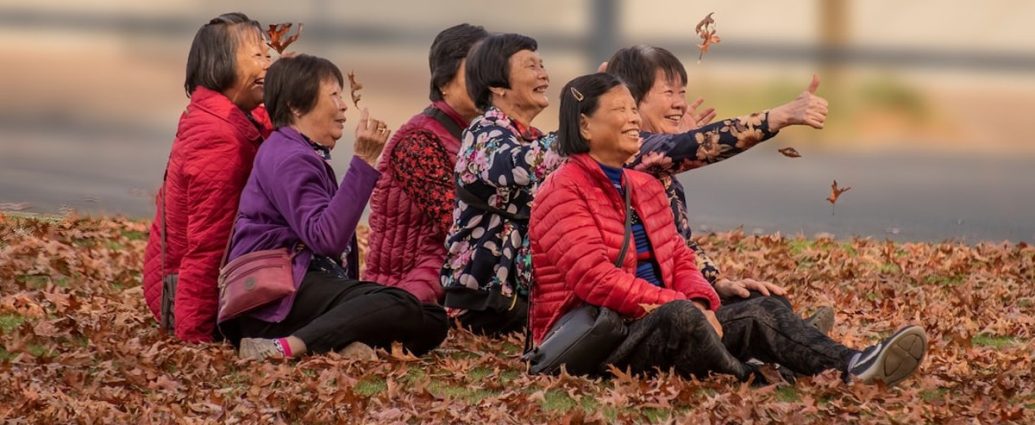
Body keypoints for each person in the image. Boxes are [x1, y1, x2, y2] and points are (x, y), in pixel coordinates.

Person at [528, 73, 928, 387]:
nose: (635, 119)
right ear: (583, 125)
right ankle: (749, 374)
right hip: (598, 340)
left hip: (661, 321)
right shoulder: (561, 190)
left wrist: (703, 298)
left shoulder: (645, 186)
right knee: (682, 317)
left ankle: (855, 365)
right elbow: (595, 281)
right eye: (621, 109)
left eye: (635, 108)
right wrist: (680, 304)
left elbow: (679, 256)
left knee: (762, 308)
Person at [219, 54, 448, 360]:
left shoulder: (297, 150)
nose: (343, 106)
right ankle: (287, 348)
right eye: (334, 95)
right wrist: (364, 162)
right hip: (274, 299)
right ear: (297, 106)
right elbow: (326, 238)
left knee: (433, 318)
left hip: (300, 289)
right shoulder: (290, 157)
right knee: (401, 304)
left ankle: (336, 343)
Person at [605, 46, 831, 322]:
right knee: (757, 317)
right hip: (649, 310)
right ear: (631, 99)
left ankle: (790, 346)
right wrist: (780, 117)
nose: (680, 104)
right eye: (669, 93)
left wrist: (715, 280)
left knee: (764, 300)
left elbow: (678, 243)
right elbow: (700, 146)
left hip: (679, 294)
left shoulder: (659, 168)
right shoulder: (626, 150)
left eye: (682, 93)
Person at [142, 12, 274, 342]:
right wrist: (195, 339)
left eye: (268, 54)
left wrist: (292, 93)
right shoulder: (219, 139)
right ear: (221, 65)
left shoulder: (225, 112)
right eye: (257, 56)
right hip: (180, 295)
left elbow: (265, 128)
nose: (268, 65)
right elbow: (207, 247)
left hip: (196, 283)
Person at [439, 33, 564, 335]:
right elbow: (519, 165)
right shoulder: (482, 133)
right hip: (484, 298)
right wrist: (584, 120)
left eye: (542, 64)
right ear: (497, 86)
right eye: (530, 66)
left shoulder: (533, 137)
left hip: (520, 293)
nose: (543, 74)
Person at [364, 24, 489, 304]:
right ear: (443, 83)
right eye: (476, 71)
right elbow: (460, 226)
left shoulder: (479, 133)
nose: (488, 81)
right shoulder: (418, 141)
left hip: (446, 278)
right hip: (406, 290)